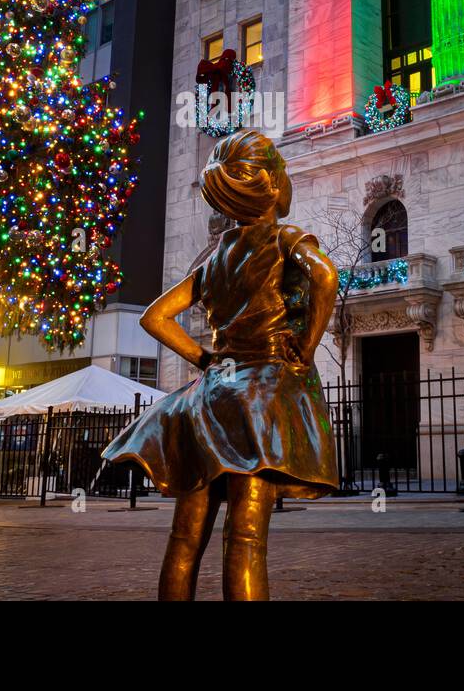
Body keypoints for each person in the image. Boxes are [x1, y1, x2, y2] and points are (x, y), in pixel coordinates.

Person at [103, 128, 339, 600]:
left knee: (185, 537)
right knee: (246, 538)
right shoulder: (283, 237)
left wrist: (205, 358)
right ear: (272, 184)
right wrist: (307, 347)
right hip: (259, 396)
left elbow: (155, 317)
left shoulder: (216, 256)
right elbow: (325, 276)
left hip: (208, 397)